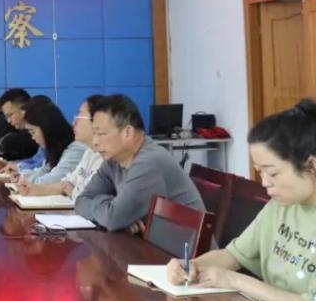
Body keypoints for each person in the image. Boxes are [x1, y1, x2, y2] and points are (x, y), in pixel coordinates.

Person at [166, 100, 316, 301]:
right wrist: (191, 266)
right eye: (260, 172)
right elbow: (232, 256)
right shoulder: (281, 205)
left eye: (273, 173)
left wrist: (235, 280)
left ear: (312, 165)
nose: (264, 183)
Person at [75, 94, 203, 233]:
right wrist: (114, 209)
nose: (95, 142)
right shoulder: (113, 161)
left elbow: (113, 219)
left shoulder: (149, 162)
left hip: (184, 246)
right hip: (153, 242)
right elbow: (81, 201)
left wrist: (115, 213)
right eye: (94, 133)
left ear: (128, 132)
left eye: (101, 134)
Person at [16, 95, 104, 198]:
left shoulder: (79, 149)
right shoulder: (89, 153)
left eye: (79, 116)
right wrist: (23, 180)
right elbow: (65, 183)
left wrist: (25, 182)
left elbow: (86, 196)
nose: (74, 122)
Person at [12, 100, 88, 185]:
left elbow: (52, 180)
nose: (33, 138)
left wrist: (23, 181)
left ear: (46, 129)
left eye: (33, 132)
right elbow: (44, 170)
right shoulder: (55, 149)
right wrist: (22, 176)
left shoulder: (76, 149)